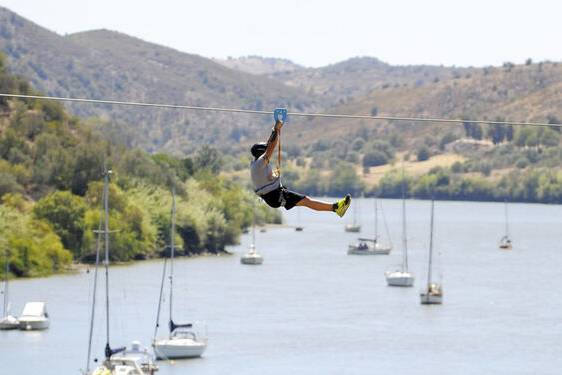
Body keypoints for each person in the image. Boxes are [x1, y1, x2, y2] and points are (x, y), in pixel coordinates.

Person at [250, 119, 351, 217]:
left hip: (273, 196)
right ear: (261, 153)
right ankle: (336, 208)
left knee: (306, 202)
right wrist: (276, 129)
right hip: (275, 195)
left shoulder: (256, 164)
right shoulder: (260, 163)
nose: (270, 153)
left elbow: (269, 144)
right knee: (306, 201)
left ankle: (336, 208)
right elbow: (271, 147)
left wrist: (275, 130)